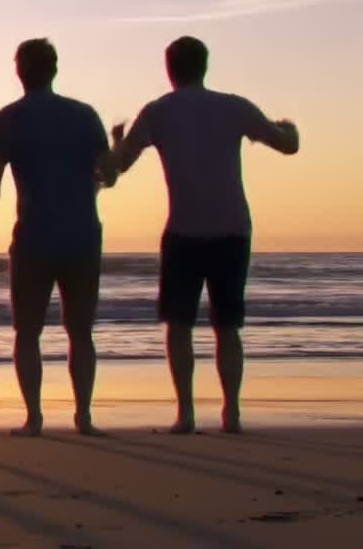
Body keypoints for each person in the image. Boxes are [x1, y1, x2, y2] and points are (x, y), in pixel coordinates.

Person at [110, 36, 299, 435]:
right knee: (227, 325)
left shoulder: (158, 111)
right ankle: (231, 410)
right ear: (205, 66)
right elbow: (288, 145)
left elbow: (118, 167)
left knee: (178, 326)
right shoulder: (233, 106)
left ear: (169, 69)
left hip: (183, 229)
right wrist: (287, 126)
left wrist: (115, 138)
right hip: (232, 227)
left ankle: (187, 413)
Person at [0, 39, 118, 437]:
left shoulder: (6, 120)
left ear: (19, 72)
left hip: (33, 238)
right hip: (81, 235)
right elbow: (107, 175)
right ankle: (84, 416)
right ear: (54, 69)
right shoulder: (84, 115)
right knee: (80, 332)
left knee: (27, 332)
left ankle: (34, 417)